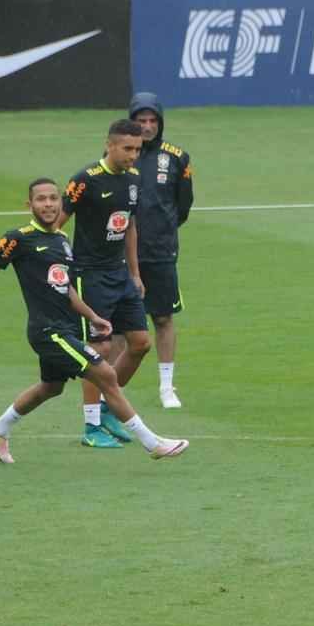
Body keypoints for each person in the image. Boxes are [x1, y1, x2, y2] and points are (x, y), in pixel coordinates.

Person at [0, 178, 187, 462]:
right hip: (47, 332)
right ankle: (152, 443)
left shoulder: (62, 241)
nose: (48, 204)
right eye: (41, 199)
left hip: (64, 327)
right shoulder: (18, 238)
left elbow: (64, 288)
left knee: (51, 387)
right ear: (29, 205)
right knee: (105, 374)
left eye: (53, 198)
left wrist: (93, 316)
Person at [56, 119, 153, 448]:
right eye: (127, 148)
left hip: (120, 274)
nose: (133, 155)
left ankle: (108, 405)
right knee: (100, 349)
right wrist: (55, 266)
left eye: (137, 149)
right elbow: (56, 224)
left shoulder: (134, 180)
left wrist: (136, 274)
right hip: (89, 274)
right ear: (109, 145)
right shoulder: (86, 180)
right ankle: (91, 428)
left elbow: (129, 227)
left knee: (140, 343)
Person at [129, 92, 195, 409]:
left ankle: (167, 388)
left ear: (161, 122)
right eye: (141, 121)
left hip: (160, 251)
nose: (147, 126)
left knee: (163, 317)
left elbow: (184, 206)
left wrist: (163, 231)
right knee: (118, 326)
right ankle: (111, 388)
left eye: (152, 120)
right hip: (122, 254)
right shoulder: (119, 153)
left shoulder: (177, 157)